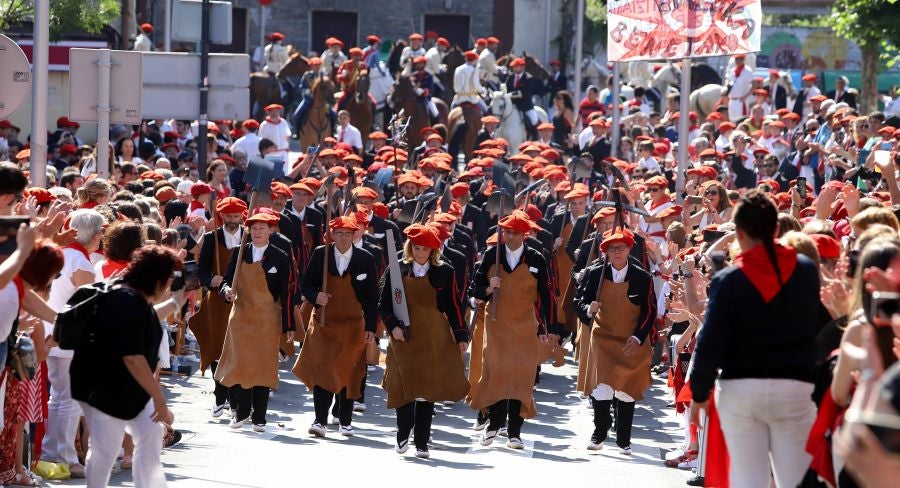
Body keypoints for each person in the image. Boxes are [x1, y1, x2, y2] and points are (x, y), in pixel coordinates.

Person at [688, 190, 820, 488]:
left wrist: (699, 393)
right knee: (796, 482)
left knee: (749, 481)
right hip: (794, 388)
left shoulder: (728, 280)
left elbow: (711, 342)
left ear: (739, 232)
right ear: (776, 230)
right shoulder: (807, 271)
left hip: (741, 389)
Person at [70, 245, 183, 488]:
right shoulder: (127, 301)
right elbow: (132, 357)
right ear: (157, 279)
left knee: (150, 436)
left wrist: (175, 303)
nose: (168, 288)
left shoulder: (132, 297)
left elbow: (149, 317)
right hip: (105, 389)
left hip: (123, 388)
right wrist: (158, 398)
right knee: (105, 450)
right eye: (168, 281)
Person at [377, 224, 469, 458]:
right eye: (416, 248)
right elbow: (384, 303)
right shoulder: (396, 269)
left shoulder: (445, 272)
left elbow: (454, 305)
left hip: (432, 337)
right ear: (410, 247)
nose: (420, 253)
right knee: (403, 386)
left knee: (426, 390)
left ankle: (422, 442)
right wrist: (393, 327)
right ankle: (402, 433)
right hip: (403, 337)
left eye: (425, 249)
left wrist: (461, 335)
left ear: (433, 251)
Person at [467, 212, 553, 450]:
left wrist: (548, 327)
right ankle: (494, 423)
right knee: (497, 373)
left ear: (524, 234)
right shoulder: (491, 256)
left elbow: (546, 295)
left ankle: (514, 431)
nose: (510, 235)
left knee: (520, 378)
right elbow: (475, 287)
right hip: (496, 325)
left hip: (525, 326)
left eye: (515, 232)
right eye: (506, 231)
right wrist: (488, 288)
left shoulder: (536, 258)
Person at [293, 216, 379, 438]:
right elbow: (306, 284)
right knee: (323, 371)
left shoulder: (366, 259)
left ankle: (345, 419)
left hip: (352, 324)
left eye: (347, 234)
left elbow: (371, 296)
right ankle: (320, 420)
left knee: (349, 370)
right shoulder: (321, 254)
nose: (342, 238)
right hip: (324, 323)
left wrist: (371, 326)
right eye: (338, 233)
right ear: (332, 234)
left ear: (355, 236)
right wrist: (316, 295)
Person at [574, 227, 657, 453]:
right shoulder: (595, 274)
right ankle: (599, 432)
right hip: (602, 336)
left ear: (629, 249)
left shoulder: (643, 277)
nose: (617, 252)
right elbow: (578, 301)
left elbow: (650, 311)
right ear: (606, 252)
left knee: (626, 388)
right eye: (612, 248)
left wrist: (638, 336)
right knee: (601, 387)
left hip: (631, 339)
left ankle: (624, 438)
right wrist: (588, 310)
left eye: (621, 248)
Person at [42, 209, 106, 479]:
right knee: (69, 401)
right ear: (95, 234)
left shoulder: (60, 254)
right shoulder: (80, 261)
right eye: (101, 231)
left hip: (50, 334)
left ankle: (52, 454)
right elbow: (88, 308)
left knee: (58, 398)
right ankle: (66, 457)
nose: (103, 236)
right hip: (69, 339)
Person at [217, 209, 294, 432]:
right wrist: (226, 292)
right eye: (254, 228)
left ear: (271, 230)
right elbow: (226, 281)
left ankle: (259, 416)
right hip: (241, 317)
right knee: (241, 365)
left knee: (262, 367)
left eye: (262, 228)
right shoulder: (240, 252)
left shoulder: (281, 256)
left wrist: (289, 324)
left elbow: (288, 292)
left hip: (267, 319)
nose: (258, 232)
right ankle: (241, 413)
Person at [190, 197, 246, 418]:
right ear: (221, 216)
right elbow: (201, 270)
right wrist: (210, 279)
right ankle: (220, 395)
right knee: (217, 349)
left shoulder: (249, 238)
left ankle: (233, 400)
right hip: (216, 301)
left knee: (237, 350)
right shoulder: (212, 238)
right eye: (228, 216)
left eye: (236, 216)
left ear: (243, 216)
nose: (232, 221)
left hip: (242, 301)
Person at [505, 58, 539, 141]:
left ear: (523, 67)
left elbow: (525, 93)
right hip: (512, 105)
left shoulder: (529, 78)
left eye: (517, 66)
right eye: (514, 67)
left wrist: (509, 95)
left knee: (534, 120)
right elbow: (507, 89)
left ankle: (534, 137)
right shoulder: (510, 78)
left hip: (525, 106)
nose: (515, 69)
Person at [726, 54, 754, 122]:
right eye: (736, 59)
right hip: (732, 99)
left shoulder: (747, 71)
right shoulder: (732, 70)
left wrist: (746, 96)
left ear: (743, 60)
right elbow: (729, 82)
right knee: (731, 119)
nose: (738, 61)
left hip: (741, 100)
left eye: (740, 59)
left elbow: (754, 84)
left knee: (741, 120)